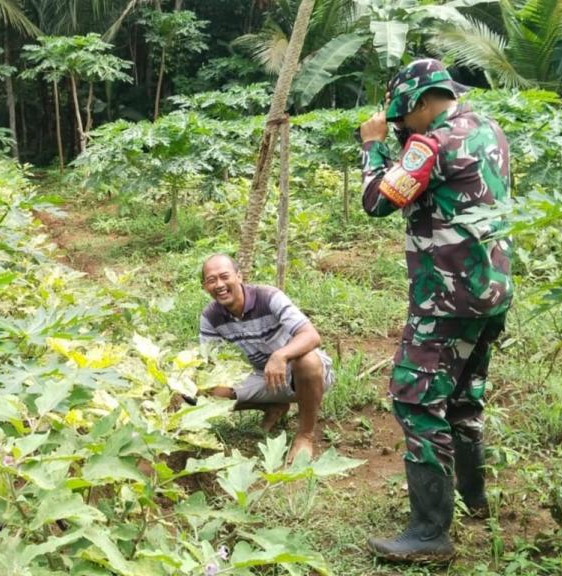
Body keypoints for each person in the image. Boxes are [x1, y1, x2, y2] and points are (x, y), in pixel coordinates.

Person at [358, 59, 513, 562]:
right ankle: (474, 497)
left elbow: (377, 201)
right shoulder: (488, 129)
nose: (401, 124)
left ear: (423, 104)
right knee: (464, 396)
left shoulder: (432, 144)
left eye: (403, 115)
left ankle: (429, 535)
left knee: (416, 400)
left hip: (445, 298)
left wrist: (373, 145)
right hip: (490, 289)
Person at [198, 254, 334, 462]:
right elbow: (210, 362)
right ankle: (273, 406)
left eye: (225, 277)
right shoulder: (211, 316)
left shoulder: (268, 297)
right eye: (211, 280)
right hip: (266, 377)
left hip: (305, 374)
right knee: (208, 390)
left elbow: (311, 335)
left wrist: (281, 355)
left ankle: (305, 435)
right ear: (205, 286)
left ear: (239, 276)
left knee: (307, 361)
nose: (219, 285)